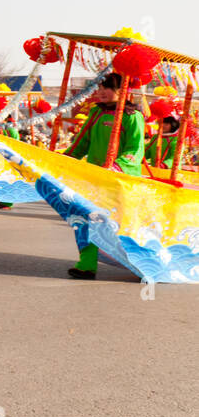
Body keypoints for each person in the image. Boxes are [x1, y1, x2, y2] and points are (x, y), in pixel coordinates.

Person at [62, 72, 144, 279]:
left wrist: (117, 166)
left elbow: (135, 150)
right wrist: (61, 161)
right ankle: (87, 264)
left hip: (120, 180)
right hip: (94, 178)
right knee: (85, 218)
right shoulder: (95, 114)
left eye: (108, 88)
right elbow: (81, 144)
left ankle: (141, 265)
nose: (101, 92)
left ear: (123, 90)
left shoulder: (132, 116)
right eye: (99, 88)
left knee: (123, 225)